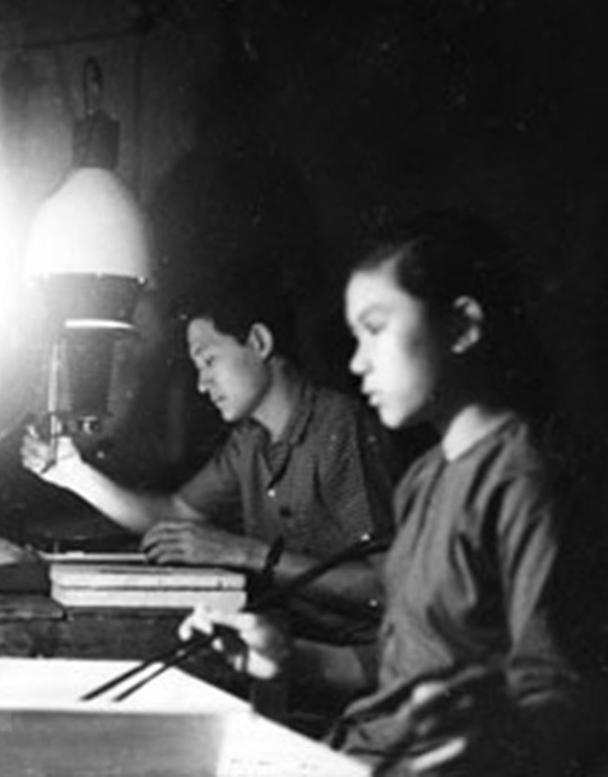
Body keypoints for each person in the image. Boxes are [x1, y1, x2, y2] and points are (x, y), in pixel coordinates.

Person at [180, 210, 581, 776]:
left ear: (462, 326)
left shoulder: (521, 481)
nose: (356, 362)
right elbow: (399, 674)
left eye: (376, 329)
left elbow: (554, 703)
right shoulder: (425, 479)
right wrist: (280, 658)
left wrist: (487, 731)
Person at [22, 261, 399, 702]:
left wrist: (244, 552)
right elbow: (174, 515)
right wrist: (74, 474)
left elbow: (386, 585)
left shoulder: (338, 427)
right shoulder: (250, 441)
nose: (202, 384)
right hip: (289, 656)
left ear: (259, 342)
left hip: (369, 677)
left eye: (209, 360)